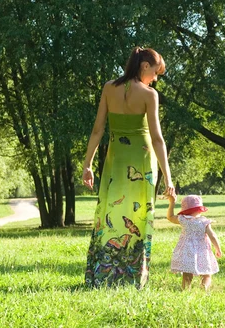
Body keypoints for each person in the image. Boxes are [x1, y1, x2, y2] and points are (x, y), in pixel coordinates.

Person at [82, 46, 175, 289]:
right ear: (144, 66)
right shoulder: (149, 95)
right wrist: (168, 178)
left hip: (115, 161)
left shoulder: (108, 88)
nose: (155, 79)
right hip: (142, 163)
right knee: (138, 216)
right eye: (155, 73)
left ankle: (103, 275)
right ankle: (133, 277)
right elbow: (157, 139)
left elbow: (97, 130)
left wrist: (87, 165)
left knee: (111, 214)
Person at [166, 194, 222, 290]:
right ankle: (204, 289)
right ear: (200, 209)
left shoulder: (183, 219)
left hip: (187, 251)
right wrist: (218, 248)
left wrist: (172, 203)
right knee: (206, 274)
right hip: (202, 252)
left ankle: (186, 290)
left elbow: (170, 216)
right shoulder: (204, 222)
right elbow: (212, 236)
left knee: (187, 274)